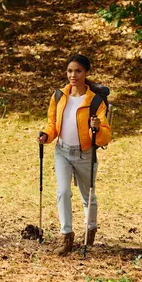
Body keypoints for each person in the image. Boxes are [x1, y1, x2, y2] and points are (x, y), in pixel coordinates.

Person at [38, 54, 112, 255]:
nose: (73, 75)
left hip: (85, 154)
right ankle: (67, 237)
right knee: (62, 192)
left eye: (78, 71)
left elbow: (104, 137)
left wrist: (95, 128)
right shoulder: (59, 96)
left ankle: (90, 231)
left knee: (88, 197)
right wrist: (46, 135)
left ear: (86, 72)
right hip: (62, 151)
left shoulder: (96, 101)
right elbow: (52, 123)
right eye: (70, 71)